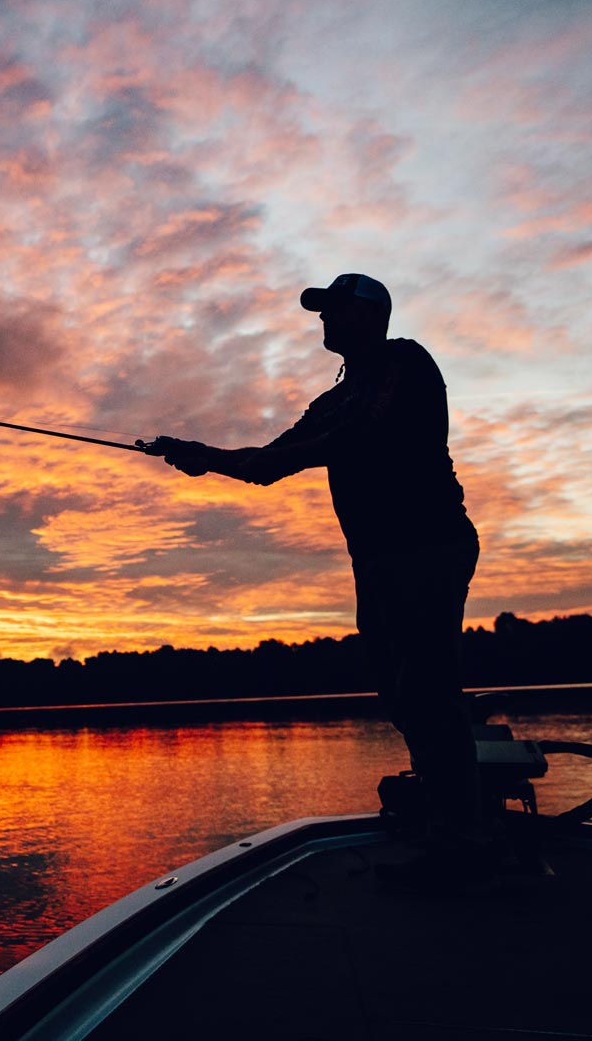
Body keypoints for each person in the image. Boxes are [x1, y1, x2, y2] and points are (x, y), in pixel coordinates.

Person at [141, 273, 485, 881]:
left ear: (372, 316)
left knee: (428, 690)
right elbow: (270, 464)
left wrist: (257, 458)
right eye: (322, 313)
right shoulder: (331, 400)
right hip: (376, 560)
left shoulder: (405, 361)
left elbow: (352, 436)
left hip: (429, 547)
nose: (325, 321)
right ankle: (448, 823)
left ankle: (464, 845)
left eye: (337, 311)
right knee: (399, 691)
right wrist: (203, 457)